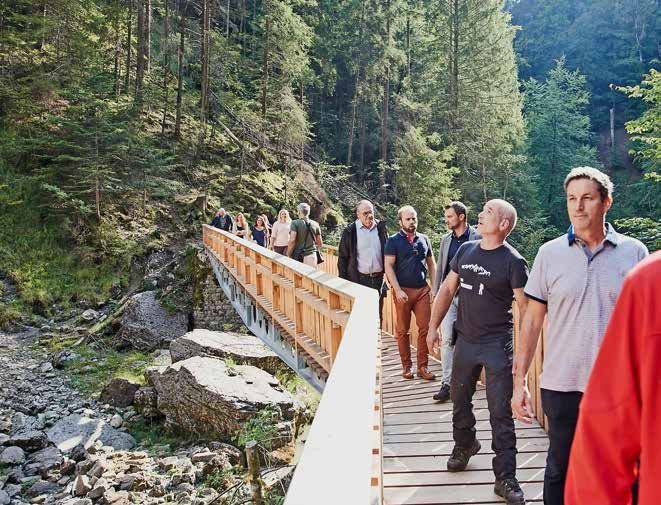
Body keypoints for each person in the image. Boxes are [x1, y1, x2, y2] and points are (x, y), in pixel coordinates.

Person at [511, 166, 649, 505]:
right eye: (572, 199)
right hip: (562, 383)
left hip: (621, 388)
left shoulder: (634, 253)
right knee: (560, 467)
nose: (578, 206)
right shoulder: (549, 253)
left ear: (606, 202)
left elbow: (648, 328)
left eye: (587, 198)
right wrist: (519, 383)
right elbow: (531, 321)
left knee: (630, 470)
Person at [426, 199, 529, 505]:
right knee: (459, 399)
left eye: (488, 213)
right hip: (466, 342)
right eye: (482, 211)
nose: (480, 215)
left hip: (497, 345)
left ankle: (505, 478)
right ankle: (465, 444)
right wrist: (432, 327)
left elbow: (526, 309)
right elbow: (446, 289)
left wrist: (522, 360)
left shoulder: (513, 261)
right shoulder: (465, 251)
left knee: (500, 413)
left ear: (503, 225)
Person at [564, 252, 660, 505]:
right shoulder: (649, 282)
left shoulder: (649, 279)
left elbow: (601, 448)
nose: (578, 208)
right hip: (566, 377)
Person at [430, 201, 481, 403]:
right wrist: (436, 292)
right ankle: (447, 384)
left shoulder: (478, 237)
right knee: (448, 339)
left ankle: (467, 382)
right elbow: (441, 267)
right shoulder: (445, 240)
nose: (446, 220)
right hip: (449, 297)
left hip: (471, 298)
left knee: (468, 339)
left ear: (461, 217)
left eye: (450, 216)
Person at [384, 205, 436, 381]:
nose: (412, 221)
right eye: (408, 219)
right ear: (400, 221)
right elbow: (388, 266)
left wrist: (434, 288)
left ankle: (423, 367)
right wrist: (397, 289)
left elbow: (432, 264)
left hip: (422, 290)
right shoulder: (393, 241)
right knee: (402, 331)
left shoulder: (424, 239)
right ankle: (407, 367)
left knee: (425, 328)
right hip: (403, 292)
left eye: (414, 218)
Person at [338, 200, 389, 321]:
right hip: (359, 280)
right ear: (358, 214)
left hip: (378, 280)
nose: (369, 216)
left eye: (371, 212)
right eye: (365, 213)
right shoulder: (350, 231)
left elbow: (389, 253)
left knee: (377, 316)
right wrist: (343, 283)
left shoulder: (381, 228)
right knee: (360, 316)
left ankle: (377, 340)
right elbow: (343, 258)